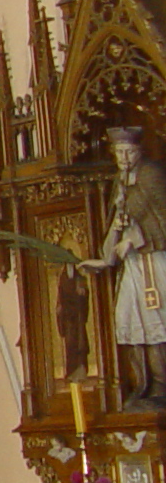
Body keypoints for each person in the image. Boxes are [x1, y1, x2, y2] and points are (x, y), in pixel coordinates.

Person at [81, 127, 166, 410]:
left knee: (157, 320)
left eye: (129, 152)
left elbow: (163, 217)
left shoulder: (152, 174)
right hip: (132, 266)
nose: (124, 158)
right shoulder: (119, 181)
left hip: (154, 260)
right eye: (119, 153)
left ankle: (161, 385)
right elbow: (117, 221)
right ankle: (143, 385)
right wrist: (107, 258)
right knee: (131, 319)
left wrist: (136, 238)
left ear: (139, 151)